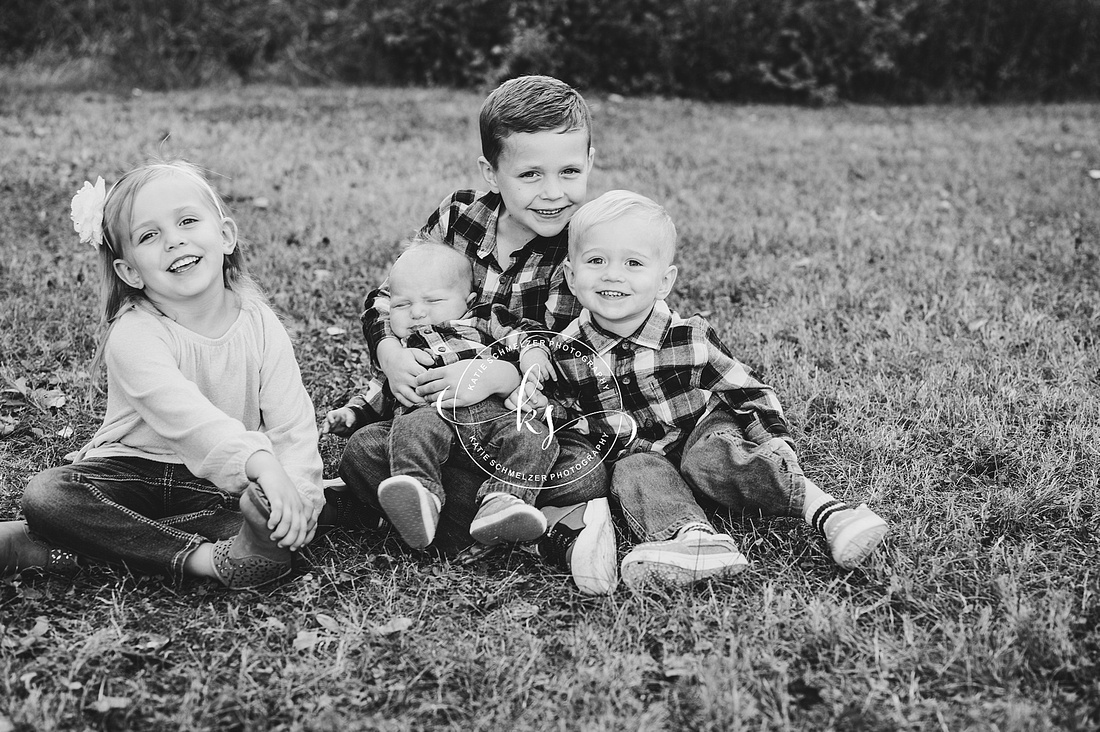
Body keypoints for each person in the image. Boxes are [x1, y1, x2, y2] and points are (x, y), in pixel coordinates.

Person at [333, 75, 617, 595]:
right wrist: (390, 350)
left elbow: (578, 358)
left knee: (585, 473)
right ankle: (529, 524)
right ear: (491, 170)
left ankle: (448, 509)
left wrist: (497, 374)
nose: (553, 192)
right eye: (530, 173)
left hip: (524, 432)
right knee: (361, 449)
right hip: (434, 422)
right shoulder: (458, 217)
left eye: (570, 171)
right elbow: (389, 294)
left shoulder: (589, 245)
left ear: (590, 162)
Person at [525, 190, 889, 589]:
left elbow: (745, 390)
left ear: (664, 281)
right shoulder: (565, 353)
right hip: (645, 453)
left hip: (701, 431)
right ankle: (694, 540)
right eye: (596, 261)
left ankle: (831, 513)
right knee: (631, 470)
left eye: (633, 262)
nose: (613, 274)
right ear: (572, 277)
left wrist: (775, 442)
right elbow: (565, 417)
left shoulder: (689, 338)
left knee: (709, 458)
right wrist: (536, 400)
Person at [0, 160, 324, 589]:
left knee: (272, 515)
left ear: (225, 235)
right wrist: (262, 464)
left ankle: (72, 548)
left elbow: (292, 423)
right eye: (149, 236)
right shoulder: (134, 334)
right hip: (131, 475)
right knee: (50, 496)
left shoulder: (260, 323)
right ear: (130, 271)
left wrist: (298, 497)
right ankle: (208, 559)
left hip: (212, 487)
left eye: (188, 221)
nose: (174, 240)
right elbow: (189, 420)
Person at [324, 240, 557, 549]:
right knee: (404, 430)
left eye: (432, 300)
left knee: (535, 437)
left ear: (468, 300)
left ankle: (503, 500)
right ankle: (422, 496)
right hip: (430, 421)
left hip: (493, 422)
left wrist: (533, 356)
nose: (418, 313)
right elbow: (381, 392)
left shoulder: (483, 320)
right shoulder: (407, 351)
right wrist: (351, 414)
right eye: (402, 305)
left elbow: (525, 334)